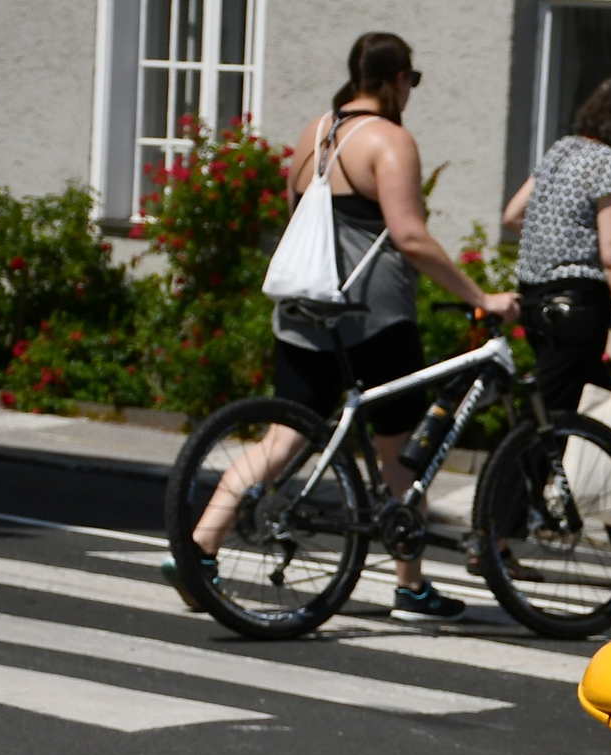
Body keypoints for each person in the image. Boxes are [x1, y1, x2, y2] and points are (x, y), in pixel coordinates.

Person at [176, 32, 517, 623]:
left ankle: (200, 546)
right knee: (399, 450)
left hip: (306, 311)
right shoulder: (390, 140)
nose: (411, 91)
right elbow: (408, 235)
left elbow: (296, 215)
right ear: (391, 80)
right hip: (373, 317)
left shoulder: (316, 133)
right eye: (410, 80)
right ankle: (410, 587)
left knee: (282, 438)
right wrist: (479, 294)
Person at [500, 74, 611, 570]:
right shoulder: (609, 164)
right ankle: (493, 539)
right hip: (578, 308)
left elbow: (514, 214)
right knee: (547, 426)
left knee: (604, 423)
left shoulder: (561, 150)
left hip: (537, 304)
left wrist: (552, 237)